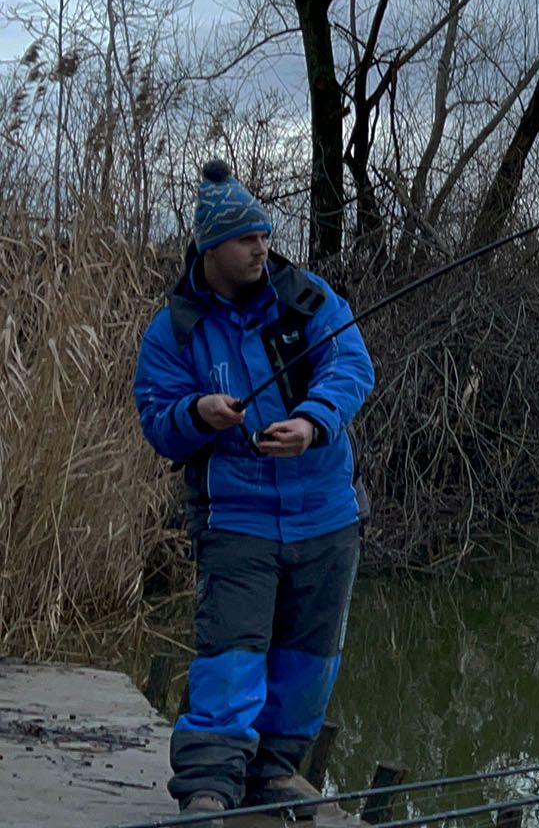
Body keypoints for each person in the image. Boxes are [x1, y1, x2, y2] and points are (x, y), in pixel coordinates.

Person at [133, 160, 376, 817]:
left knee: (307, 662)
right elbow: (159, 418)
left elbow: (352, 365)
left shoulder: (310, 299)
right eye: (246, 239)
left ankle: (271, 774)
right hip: (235, 517)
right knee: (230, 658)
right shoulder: (174, 330)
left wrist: (311, 422)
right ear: (212, 248)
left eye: (264, 235)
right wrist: (197, 415)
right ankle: (209, 787)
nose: (261, 248)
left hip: (325, 515)